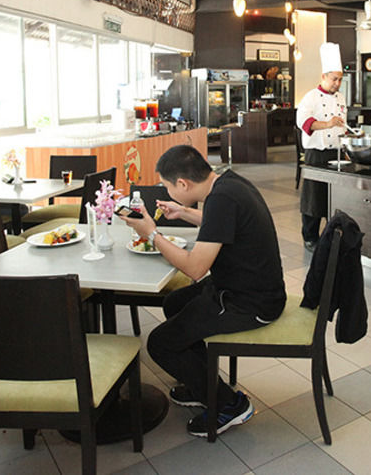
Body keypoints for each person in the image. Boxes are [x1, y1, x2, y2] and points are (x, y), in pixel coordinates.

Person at [119, 144, 285, 437]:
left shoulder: (221, 200)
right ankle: (202, 383)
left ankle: (230, 404)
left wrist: (151, 234)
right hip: (244, 285)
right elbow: (222, 224)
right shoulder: (228, 184)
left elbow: (195, 269)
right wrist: (183, 211)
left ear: (183, 184)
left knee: (160, 343)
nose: (167, 191)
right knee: (174, 303)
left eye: (168, 186)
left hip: (250, 302)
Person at [296, 42, 346, 250]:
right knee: (313, 198)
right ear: (324, 76)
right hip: (316, 153)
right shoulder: (311, 97)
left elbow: (341, 123)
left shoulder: (341, 98)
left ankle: (330, 236)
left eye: (340, 79)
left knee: (332, 196)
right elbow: (304, 122)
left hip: (336, 153)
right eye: (334, 79)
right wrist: (327, 124)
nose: (337, 83)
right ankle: (309, 237)